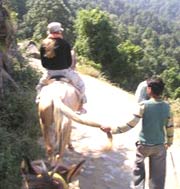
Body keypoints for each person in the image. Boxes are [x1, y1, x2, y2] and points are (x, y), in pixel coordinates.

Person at [101, 76, 174, 189]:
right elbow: (170, 127)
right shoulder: (167, 107)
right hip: (160, 147)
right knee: (158, 178)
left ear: (149, 89)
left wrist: (113, 130)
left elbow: (131, 124)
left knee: (138, 172)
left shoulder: (144, 106)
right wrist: (169, 142)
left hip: (144, 145)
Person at [36, 22, 86, 113]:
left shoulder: (43, 44)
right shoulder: (65, 43)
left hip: (49, 73)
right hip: (65, 72)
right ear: (59, 31)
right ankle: (81, 106)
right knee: (81, 85)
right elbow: (69, 63)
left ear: (49, 32)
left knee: (40, 86)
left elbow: (44, 64)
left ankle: (38, 100)